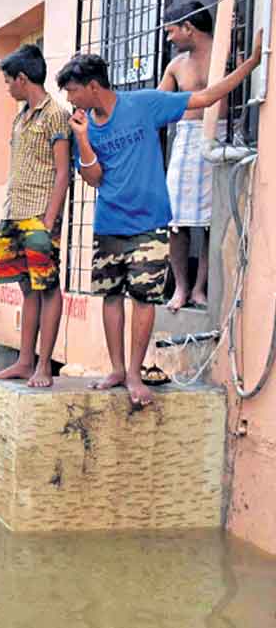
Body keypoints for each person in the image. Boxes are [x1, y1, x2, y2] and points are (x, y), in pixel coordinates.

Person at [59, 27, 263, 406]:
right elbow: (93, 178)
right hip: (109, 223)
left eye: (72, 90)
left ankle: (135, 375)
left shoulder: (145, 104)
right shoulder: (82, 125)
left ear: (91, 86)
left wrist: (249, 66)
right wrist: (84, 140)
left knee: (143, 297)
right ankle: (118, 369)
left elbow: (203, 97)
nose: (69, 98)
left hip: (149, 220)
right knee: (110, 297)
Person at [0, 44, 72, 389]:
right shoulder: (22, 115)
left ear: (23, 79)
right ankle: (24, 362)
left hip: (40, 214)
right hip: (14, 213)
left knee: (48, 288)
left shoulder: (56, 114)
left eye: (9, 81)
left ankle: (44, 366)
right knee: (26, 288)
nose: (7, 88)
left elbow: (64, 171)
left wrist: (50, 220)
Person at [158, 1, 216, 311]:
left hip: (219, 135)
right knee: (176, 219)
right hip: (186, 141)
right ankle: (180, 288)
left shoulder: (225, 54)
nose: (169, 39)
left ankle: (199, 288)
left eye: (171, 32)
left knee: (210, 221)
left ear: (188, 28)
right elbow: (156, 103)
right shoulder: (176, 65)